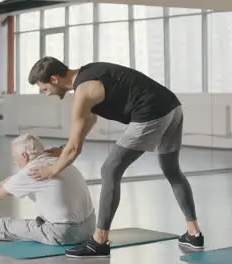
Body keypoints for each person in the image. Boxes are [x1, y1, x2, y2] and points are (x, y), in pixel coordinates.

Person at [27, 57, 204, 258]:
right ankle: (194, 233)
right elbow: (89, 121)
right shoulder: (90, 72)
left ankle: (99, 242)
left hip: (151, 113)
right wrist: (64, 148)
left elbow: (75, 149)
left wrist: (51, 170)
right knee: (172, 170)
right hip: (172, 107)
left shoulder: (83, 92)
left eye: (45, 89)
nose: (46, 93)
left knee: (110, 169)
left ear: (54, 79)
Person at [0, 133, 95, 246]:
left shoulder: (32, 171)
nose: (14, 162)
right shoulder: (58, 161)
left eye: (15, 158)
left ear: (25, 156)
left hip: (65, 234)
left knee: (4, 226)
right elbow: (7, 183)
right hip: (89, 228)